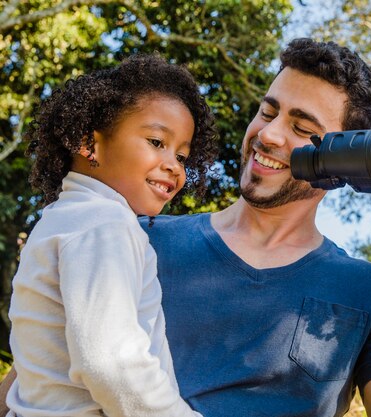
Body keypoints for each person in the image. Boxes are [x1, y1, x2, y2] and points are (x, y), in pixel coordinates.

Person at [0, 39, 371, 417]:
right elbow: (37, 379)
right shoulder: (133, 234)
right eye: (268, 112)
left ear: (345, 159)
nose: (268, 134)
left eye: (302, 128)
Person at [5, 54, 218, 416]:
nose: (173, 165)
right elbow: (113, 363)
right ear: (90, 144)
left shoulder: (64, 219)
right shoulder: (104, 223)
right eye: (156, 141)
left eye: (182, 156)